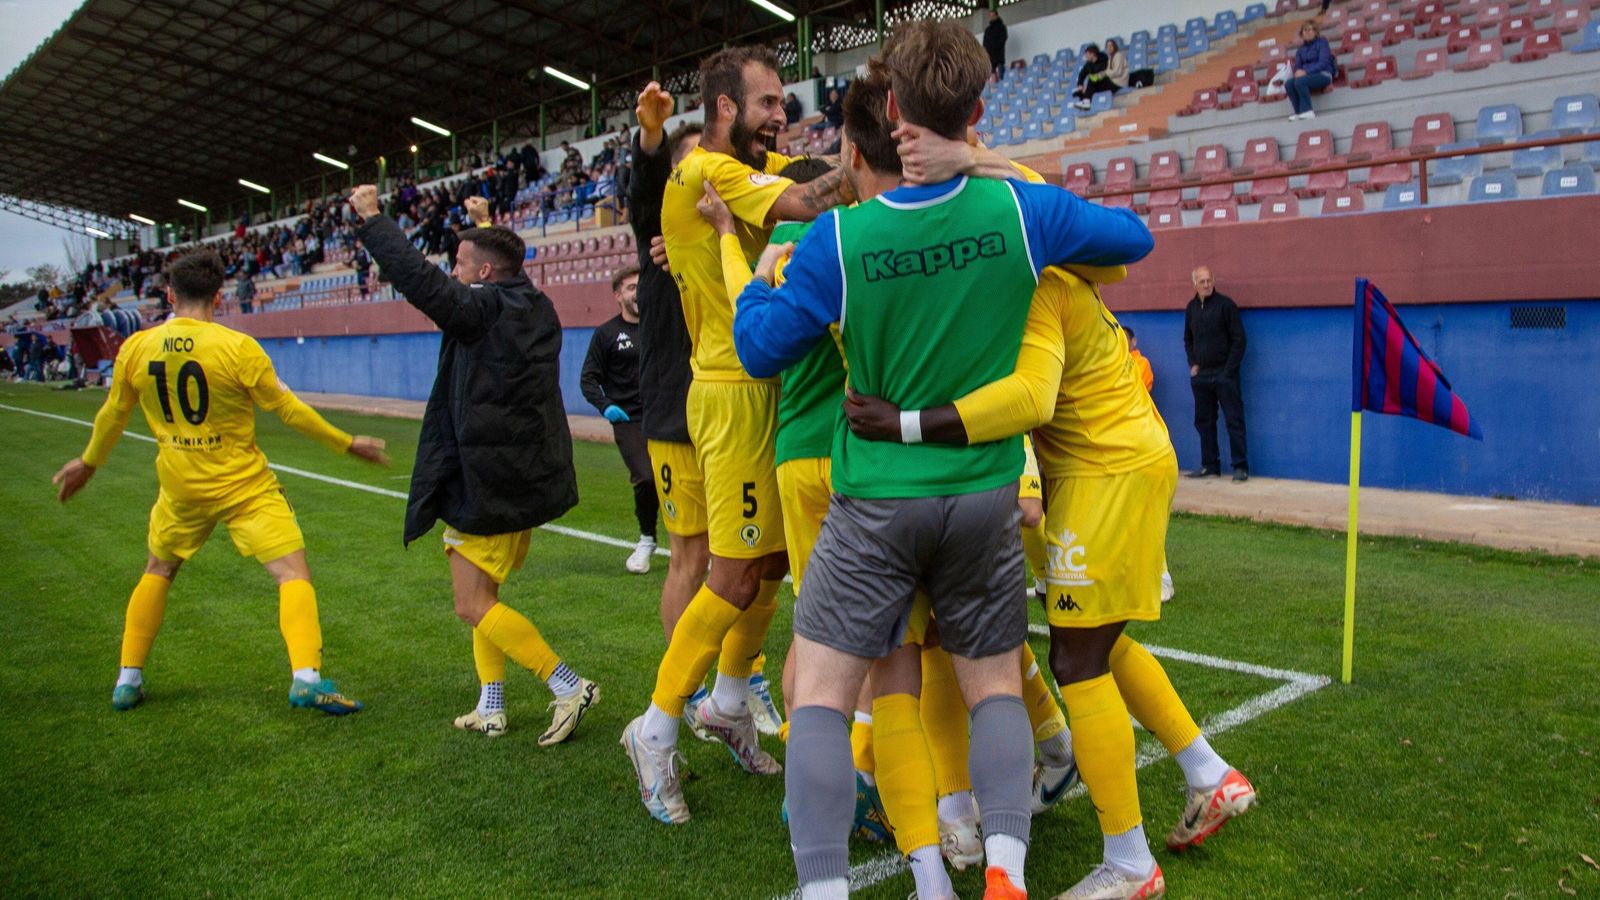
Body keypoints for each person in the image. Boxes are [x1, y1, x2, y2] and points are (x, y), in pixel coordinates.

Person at [730, 20, 1153, 898]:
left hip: (877, 498)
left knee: (819, 693)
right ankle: (1005, 869)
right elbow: (1132, 238)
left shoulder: (838, 241)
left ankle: (823, 887)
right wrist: (986, 166)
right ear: (978, 110)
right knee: (995, 685)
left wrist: (751, 283)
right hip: (986, 492)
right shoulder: (1019, 211)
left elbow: (762, 353)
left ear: (891, 111)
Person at [841, 261, 1257, 899]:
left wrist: (907, 423)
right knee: (1096, 641)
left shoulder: (1032, 286)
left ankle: (1129, 860)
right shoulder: (1052, 270)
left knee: (1075, 657)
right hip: (1113, 463)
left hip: (1103, 471)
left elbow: (1028, 400)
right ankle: (1207, 772)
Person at [620, 45, 861, 827]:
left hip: (767, 391)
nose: (780, 115)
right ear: (725, 108)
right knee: (728, 574)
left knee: (772, 561)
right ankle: (654, 730)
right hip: (729, 396)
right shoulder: (704, 175)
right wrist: (892, 160)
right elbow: (807, 199)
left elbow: (803, 170)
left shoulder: (741, 168)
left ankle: (727, 700)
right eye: (767, 103)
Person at [50, 249, 387, 715]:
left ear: (169, 294)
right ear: (219, 295)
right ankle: (306, 677)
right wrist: (346, 443)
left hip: (181, 487)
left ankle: (127, 680)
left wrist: (88, 463)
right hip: (243, 486)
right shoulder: (237, 348)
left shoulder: (136, 348)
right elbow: (288, 410)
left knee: (158, 571)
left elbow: (112, 415)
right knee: (292, 574)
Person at [349, 186, 600, 746]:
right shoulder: (534, 303)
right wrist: (485, 223)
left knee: (470, 603)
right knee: (486, 599)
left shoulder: (484, 307)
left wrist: (374, 223)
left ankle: (567, 684)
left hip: (490, 483)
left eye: (461, 265)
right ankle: (491, 705)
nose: (453, 273)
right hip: (518, 480)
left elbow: (422, 283)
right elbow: (506, 267)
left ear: (485, 272)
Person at [627, 88, 715, 649]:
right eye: (684, 166)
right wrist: (654, 139)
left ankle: (740, 677)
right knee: (692, 554)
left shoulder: (737, 240)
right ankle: (684, 689)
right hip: (677, 417)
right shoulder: (655, 238)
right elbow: (645, 195)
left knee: (748, 560)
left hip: (739, 410)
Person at [580, 265, 659, 574]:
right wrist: (606, 406)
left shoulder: (658, 326)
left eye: (640, 285)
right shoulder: (607, 334)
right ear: (617, 296)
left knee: (683, 480)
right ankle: (647, 540)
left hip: (664, 415)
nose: (636, 292)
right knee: (647, 477)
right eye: (629, 287)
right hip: (629, 420)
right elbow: (588, 379)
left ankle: (693, 543)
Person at [1183, 266, 1248, 482]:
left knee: (1234, 420)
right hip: (1201, 376)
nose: (1206, 284)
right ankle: (1210, 465)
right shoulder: (1191, 308)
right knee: (1204, 422)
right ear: (1194, 285)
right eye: (1201, 281)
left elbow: (1239, 340)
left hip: (1224, 374)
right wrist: (1193, 364)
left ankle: (1240, 466)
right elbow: (1188, 339)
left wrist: (1228, 371)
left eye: (1208, 280)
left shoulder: (1225, 305)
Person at [1125, 326, 1174, 603]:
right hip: (1125, 447)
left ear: (1133, 341)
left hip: (1144, 447)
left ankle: (1162, 577)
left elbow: (1133, 388)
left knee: (1149, 510)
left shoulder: (1139, 363)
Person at [1285, 20, 1335, 122]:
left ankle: (1308, 110)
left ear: (1316, 32)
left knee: (1300, 81)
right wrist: (1297, 72)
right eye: (1305, 30)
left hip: (1323, 74)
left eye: (1310, 30)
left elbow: (1323, 63)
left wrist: (1305, 72)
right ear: (1301, 33)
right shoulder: (1300, 50)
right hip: (1306, 76)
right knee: (1289, 84)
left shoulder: (1322, 43)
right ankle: (1298, 112)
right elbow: (1298, 66)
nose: (1308, 32)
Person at [1073, 44, 1115, 108]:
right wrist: (1080, 84)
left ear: (1093, 54)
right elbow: (1082, 74)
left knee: (1092, 79)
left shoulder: (1103, 59)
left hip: (1108, 83)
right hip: (1097, 85)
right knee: (1077, 94)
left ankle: (1087, 101)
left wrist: (1093, 76)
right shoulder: (1088, 64)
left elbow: (1103, 72)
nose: (1086, 56)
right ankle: (1086, 102)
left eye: (1087, 54)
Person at [983, 8, 1008, 81]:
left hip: (999, 57)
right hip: (990, 59)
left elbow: (1003, 39)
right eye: (990, 16)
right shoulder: (987, 30)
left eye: (993, 15)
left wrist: (995, 48)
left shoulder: (1002, 27)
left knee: (1001, 78)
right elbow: (985, 43)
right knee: (992, 80)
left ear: (997, 16)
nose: (992, 17)